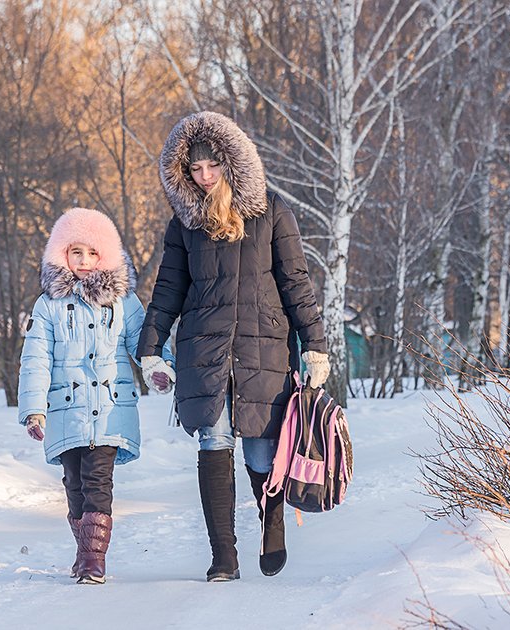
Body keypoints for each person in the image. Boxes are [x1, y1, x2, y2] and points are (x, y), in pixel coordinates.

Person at [137, 111, 330, 582]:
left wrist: (315, 344)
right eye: (194, 171)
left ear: (232, 162)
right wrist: (151, 347)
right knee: (214, 440)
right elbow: (168, 289)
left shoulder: (271, 211)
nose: (203, 178)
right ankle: (223, 556)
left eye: (212, 167)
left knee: (262, 453)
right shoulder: (185, 223)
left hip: (262, 348)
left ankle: (272, 521)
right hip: (204, 349)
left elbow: (295, 282)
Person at [17, 207, 174, 585]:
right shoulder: (48, 305)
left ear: (106, 255)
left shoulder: (125, 302)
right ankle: (84, 549)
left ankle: (93, 559)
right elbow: (35, 359)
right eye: (75, 253)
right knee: (74, 484)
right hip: (64, 409)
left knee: (98, 480)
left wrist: (156, 367)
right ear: (61, 255)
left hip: (110, 408)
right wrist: (34, 410)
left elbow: (144, 342)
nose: (84, 262)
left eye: (92, 253)